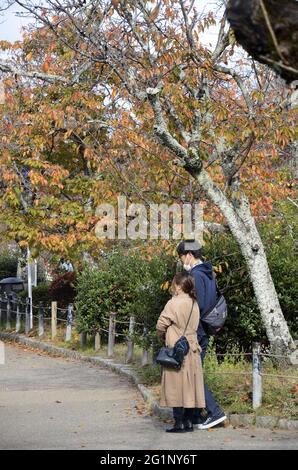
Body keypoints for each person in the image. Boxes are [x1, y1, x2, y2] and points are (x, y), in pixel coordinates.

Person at [177, 239, 227, 430]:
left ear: (189, 255)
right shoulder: (208, 273)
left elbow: (196, 306)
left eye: (182, 257)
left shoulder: (196, 276)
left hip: (195, 331)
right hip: (203, 330)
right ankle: (197, 415)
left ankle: (214, 412)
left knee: (193, 374)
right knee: (193, 371)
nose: (182, 261)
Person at [156, 272, 205, 433]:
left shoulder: (173, 303)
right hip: (192, 347)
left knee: (175, 385)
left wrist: (163, 336)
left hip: (177, 349)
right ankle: (189, 422)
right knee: (190, 385)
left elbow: (161, 324)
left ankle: (178, 423)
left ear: (178, 286)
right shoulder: (194, 303)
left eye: (174, 284)